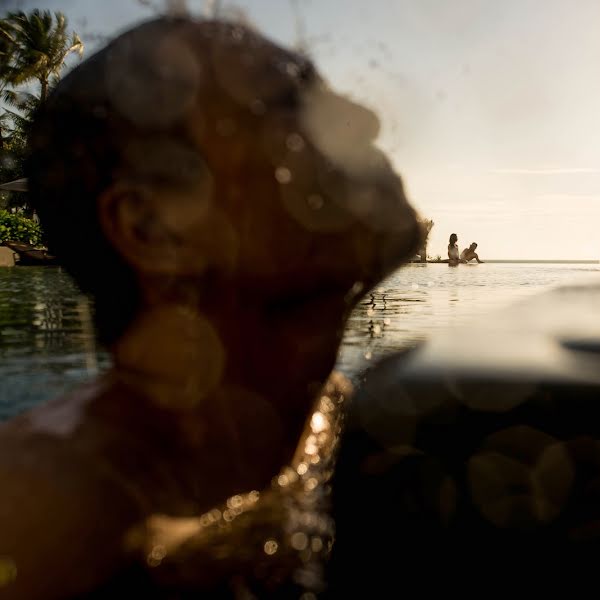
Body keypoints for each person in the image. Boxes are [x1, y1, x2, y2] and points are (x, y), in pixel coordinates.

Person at [0, 16, 420, 598]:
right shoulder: (49, 515)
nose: (360, 120)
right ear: (153, 228)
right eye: (289, 108)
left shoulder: (329, 412)